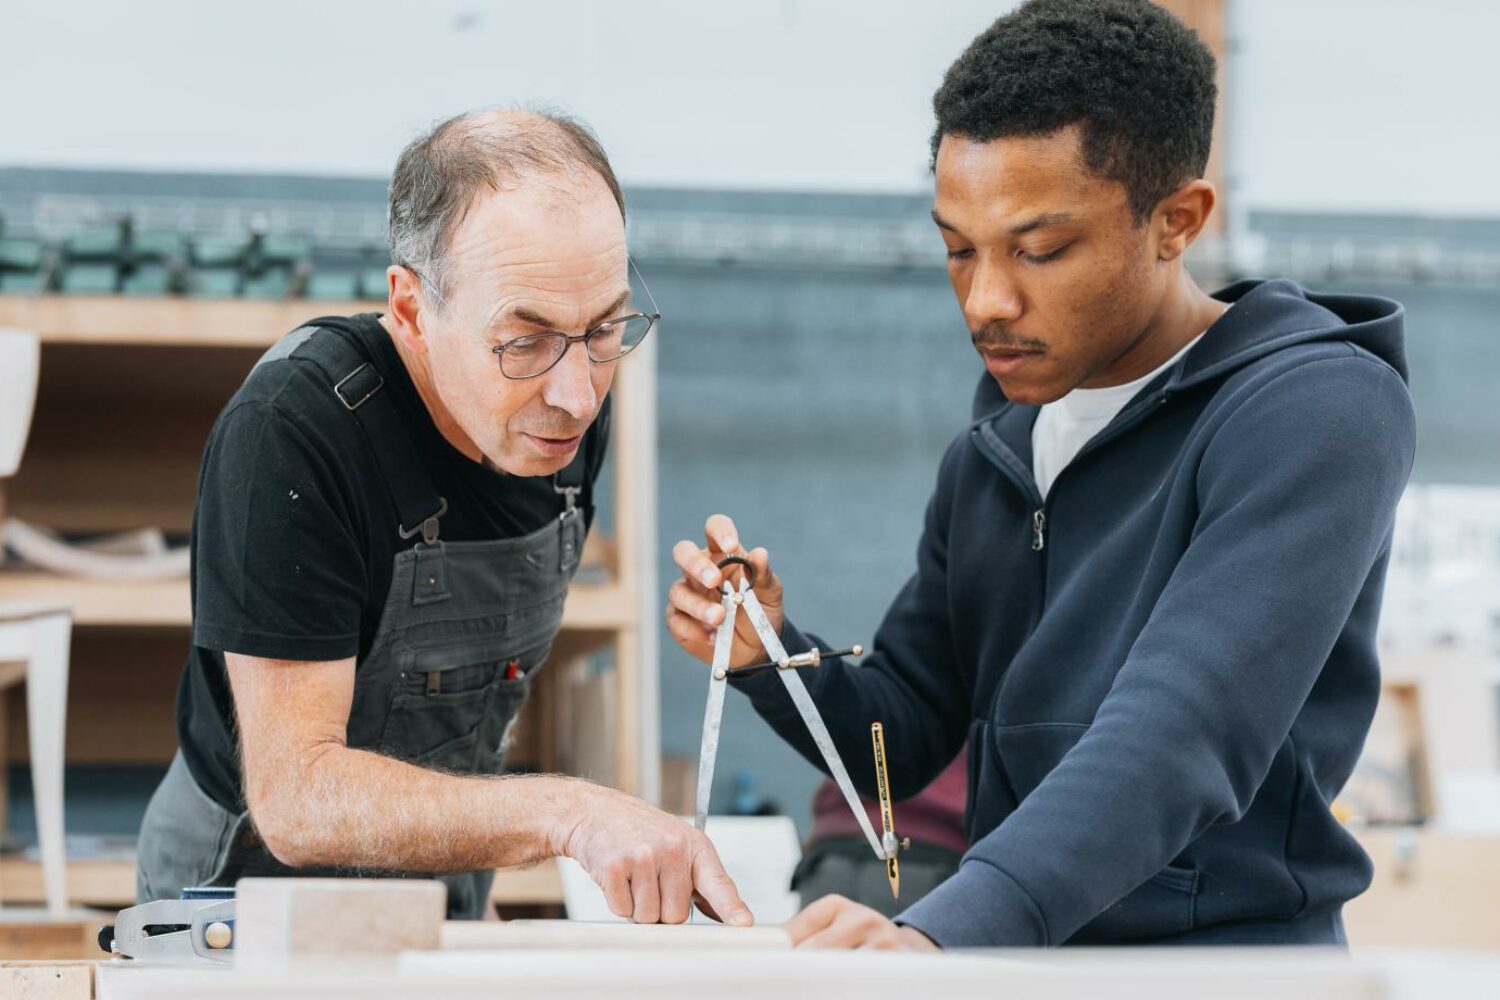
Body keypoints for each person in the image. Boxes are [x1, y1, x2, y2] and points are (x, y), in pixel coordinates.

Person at [667, 0, 1415, 948]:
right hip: (1018, 962)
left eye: (1041, 250)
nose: (986, 300)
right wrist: (771, 656)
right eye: (957, 249)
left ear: (1176, 221)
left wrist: (944, 932)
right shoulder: (998, 451)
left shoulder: (1314, 412)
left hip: (1222, 973)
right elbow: (905, 738)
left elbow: (1182, 734)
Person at [137, 108, 751, 926]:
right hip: (239, 910)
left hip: (436, 896)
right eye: (525, 342)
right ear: (412, 309)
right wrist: (571, 812)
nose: (577, 397)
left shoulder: (563, 417)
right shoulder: (293, 432)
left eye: (605, 328)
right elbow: (297, 797)